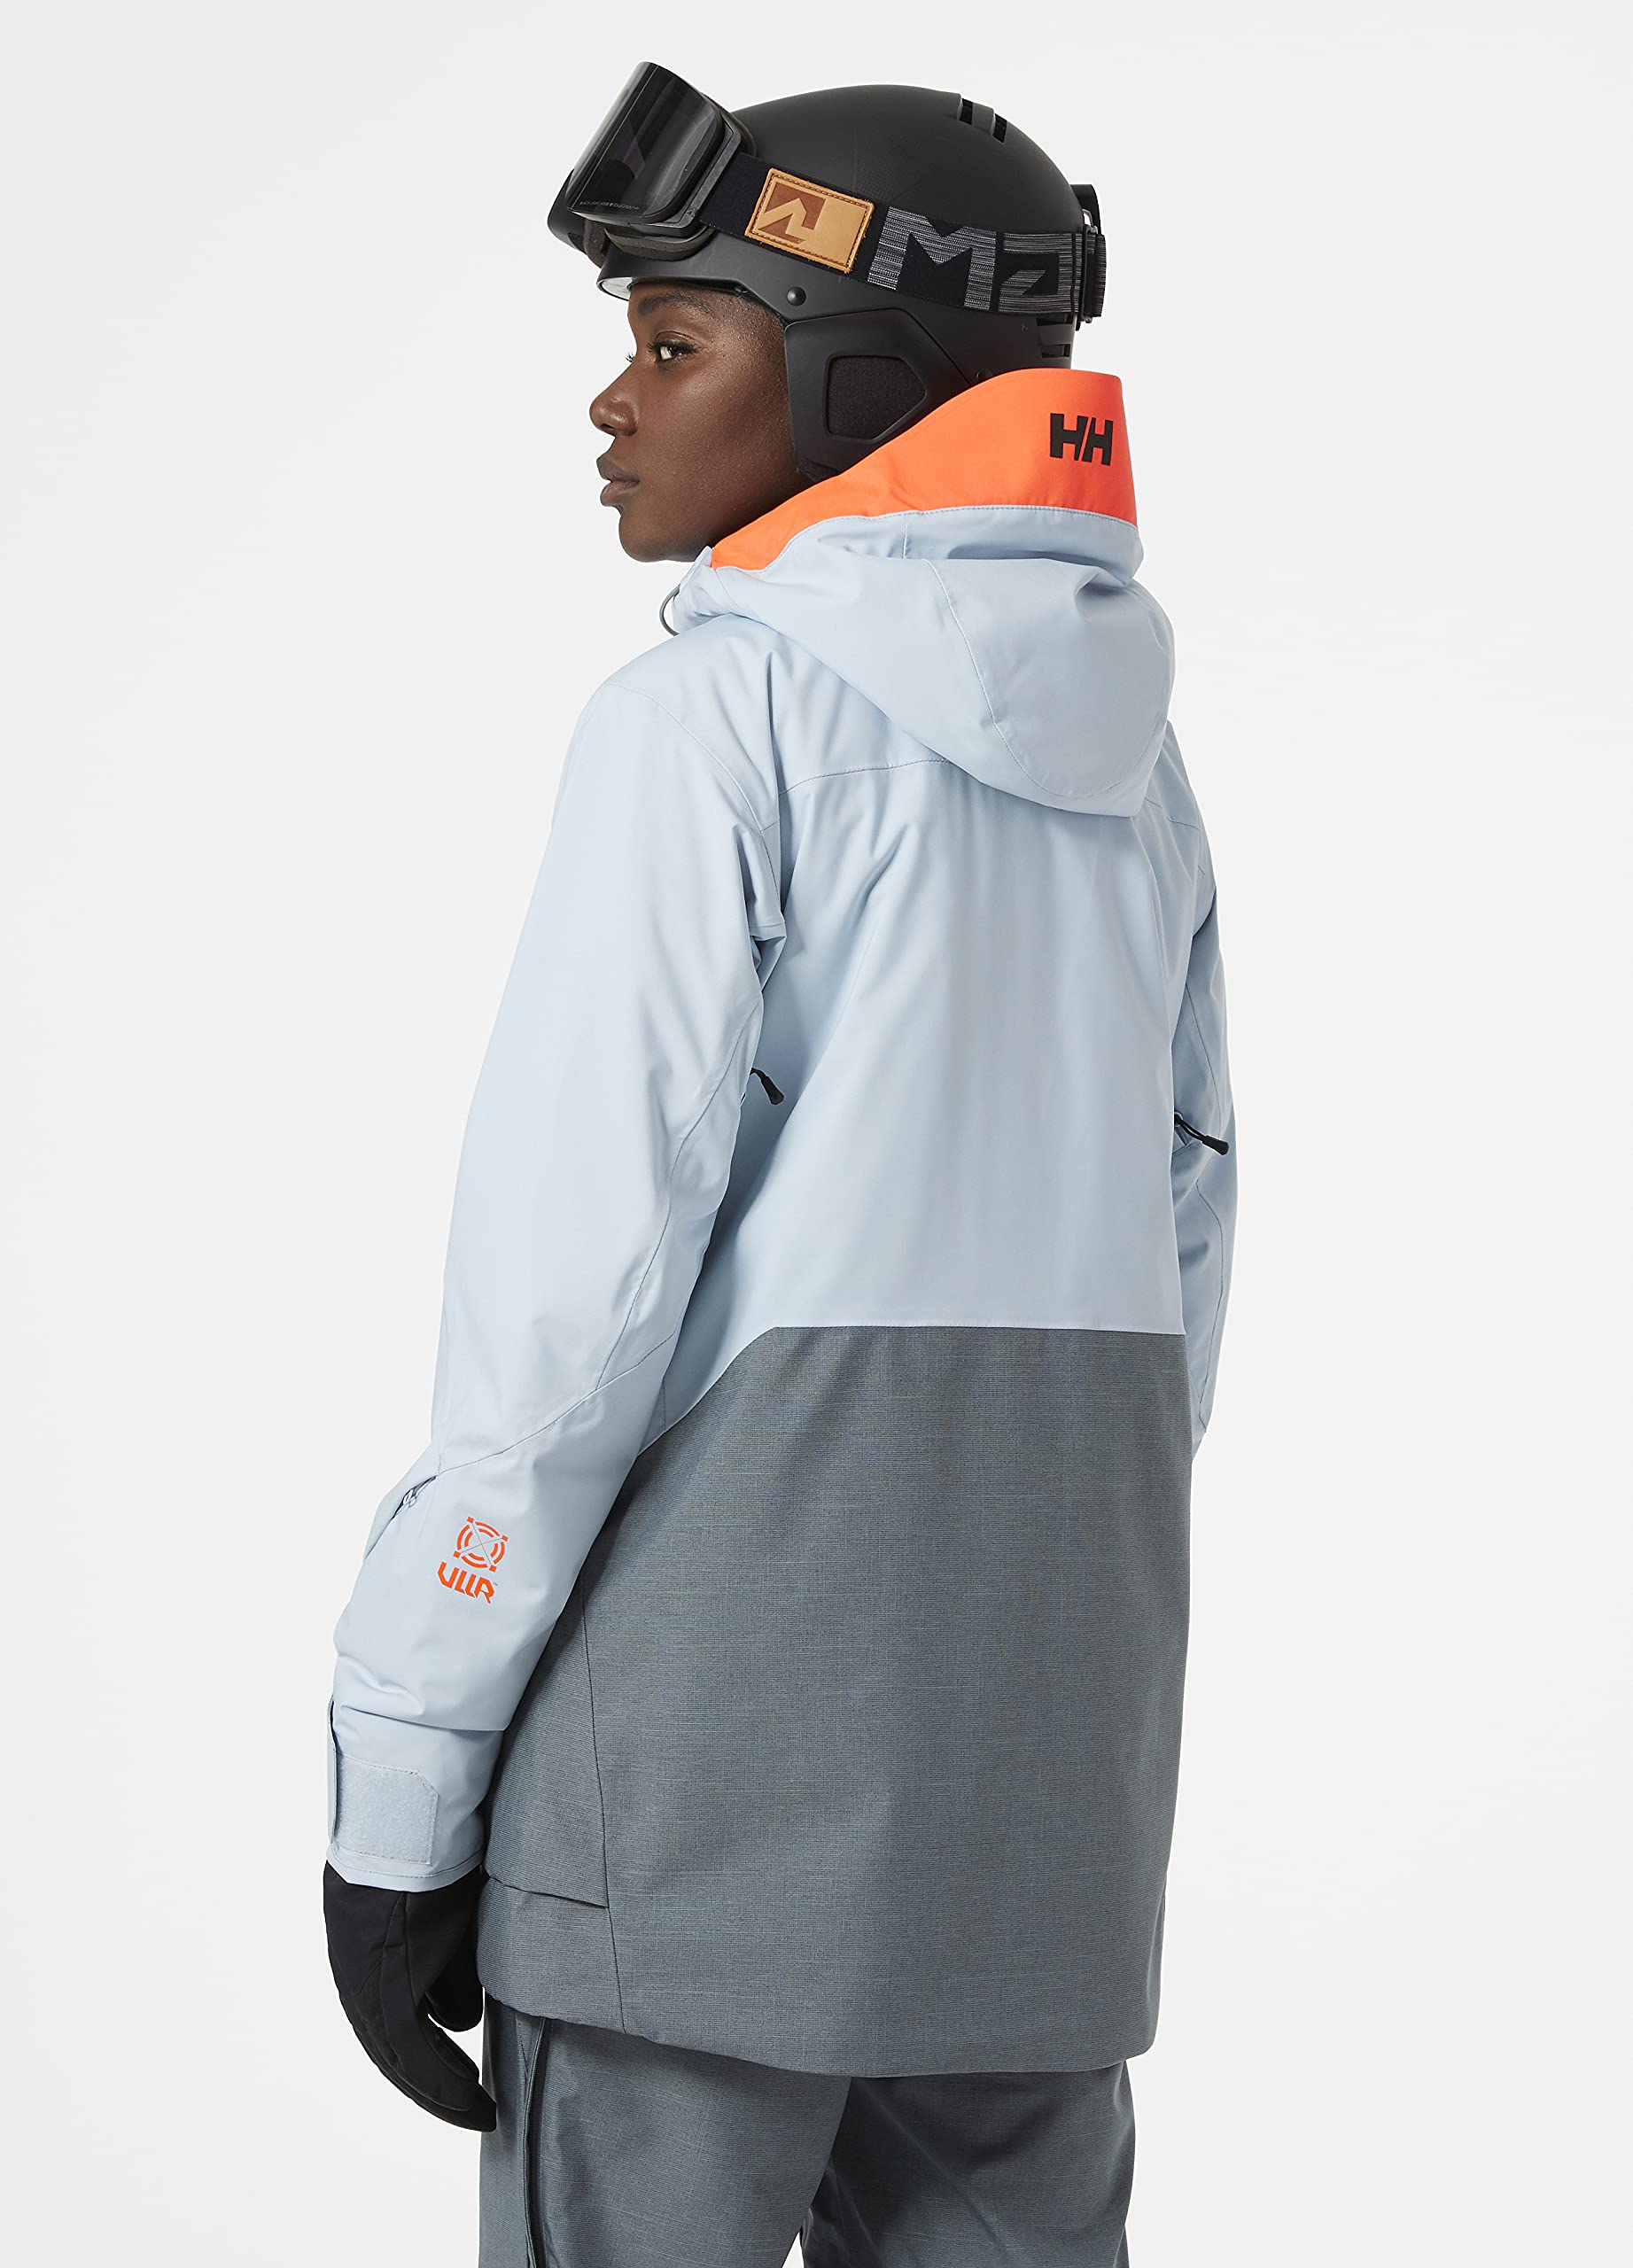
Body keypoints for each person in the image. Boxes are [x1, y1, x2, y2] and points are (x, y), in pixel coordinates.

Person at [322, 62, 1236, 2268]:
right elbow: (1184, 1259)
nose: (612, 401)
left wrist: (400, 1786)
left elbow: (564, 1323)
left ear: (852, 377)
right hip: (1042, 1781)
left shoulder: (703, 724)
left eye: (672, 341)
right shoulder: (1139, 776)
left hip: (691, 1805)